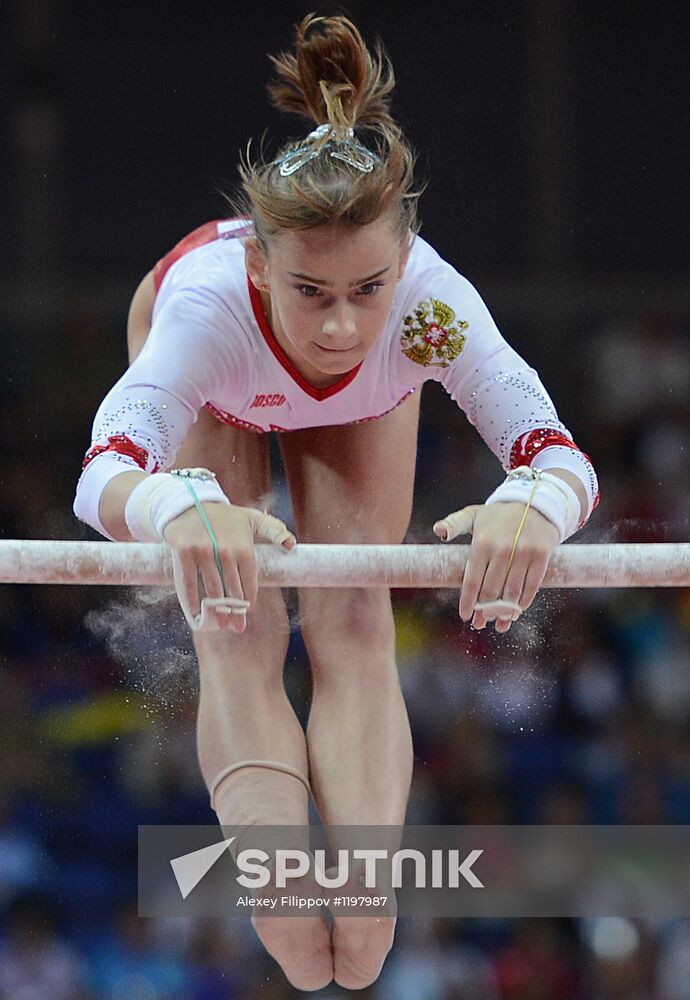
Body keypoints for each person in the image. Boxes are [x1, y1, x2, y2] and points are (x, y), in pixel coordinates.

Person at [72, 12, 599, 992]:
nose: (344, 324)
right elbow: (102, 469)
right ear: (262, 264)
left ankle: (365, 886)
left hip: (368, 407)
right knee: (233, 614)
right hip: (222, 380)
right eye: (311, 291)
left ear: (405, 266)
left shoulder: (431, 310)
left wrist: (532, 501)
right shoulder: (207, 308)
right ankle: (273, 883)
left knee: (354, 615)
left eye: (370, 286)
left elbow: (558, 453)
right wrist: (179, 507)